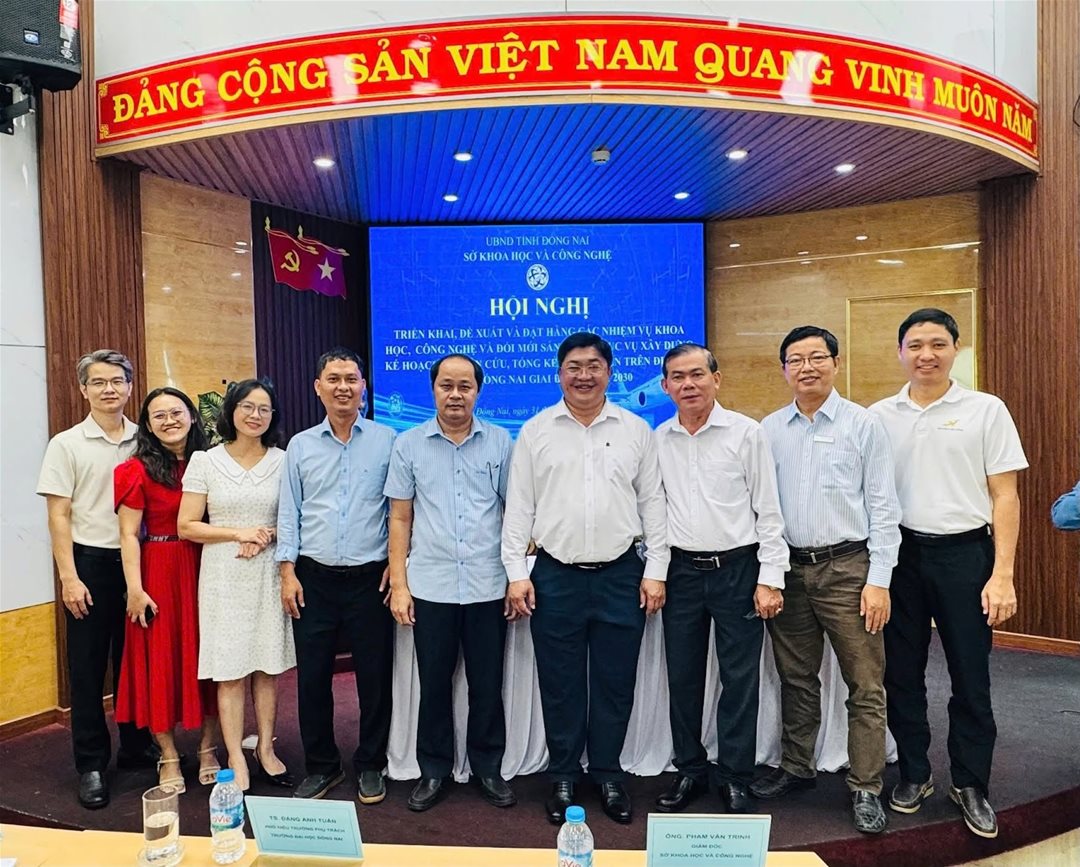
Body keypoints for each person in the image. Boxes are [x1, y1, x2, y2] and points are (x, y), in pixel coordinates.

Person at [871, 308, 1028, 839]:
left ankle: (970, 783)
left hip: (966, 557)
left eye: (938, 344)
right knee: (901, 673)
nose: (926, 355)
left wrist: (1002, 574)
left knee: (970, 674)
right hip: (900, 558)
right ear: (900, 352)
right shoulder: (879, 416)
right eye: (915, 345)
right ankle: (915, 773)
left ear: (955, 349)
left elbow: (1006, 496)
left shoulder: (986, 409)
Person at [502, 332, 669, 826]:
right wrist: (516, 573)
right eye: (574, 366)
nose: (584, 375)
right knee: (560, 683)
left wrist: (655, 571)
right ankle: (562, 774)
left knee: (616, 681)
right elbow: (519, 508)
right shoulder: (536, 431)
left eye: (593, 366)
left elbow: (653, 504)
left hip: (622, 574)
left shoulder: (635, 429)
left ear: (609, 372)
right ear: (559, 374)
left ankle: (608, 773)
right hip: (556, 576)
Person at [753, 325, 901, 835]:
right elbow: (764, 508)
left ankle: (866, 786)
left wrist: (879, 580)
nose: (807, 367)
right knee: (796, 677)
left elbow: (884, 508)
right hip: (790, 571)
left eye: (817, 357)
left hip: (849, 570)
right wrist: (770, 573)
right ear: (784, 370)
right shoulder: (770, 429)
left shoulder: (863, 425)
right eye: (796, 359)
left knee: (865, 683)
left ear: (836, 363)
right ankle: (797, 766)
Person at [653, 343, 788, 815]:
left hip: (738, 570)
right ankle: (690, 769)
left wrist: (770, 578)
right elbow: (654, 514)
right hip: (681, 574)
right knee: (683, 677)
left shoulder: (746, 434)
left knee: (739, 679)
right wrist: (656, 572)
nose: (688, 384)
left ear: (716, 379)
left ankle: (734, 775)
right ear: (665, 386)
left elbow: (768, 510)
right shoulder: (659, 440)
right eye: (677, 377)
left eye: (697, 374)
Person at [385, 354, 516, 812]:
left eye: (465, 386)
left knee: (487, 685)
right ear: (433, 389)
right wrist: (399, 585)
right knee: (434, 685)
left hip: (488, 584)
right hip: (431, 586)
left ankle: (487, 768)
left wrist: (515, 577)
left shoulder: (500, 442)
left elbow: (514, 514)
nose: (455, 394)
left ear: (478, 391)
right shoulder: (408, 445)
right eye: (446, 385)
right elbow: (400, 518)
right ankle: (434, 770)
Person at [36, 349, 158, 809]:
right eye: (99, 382)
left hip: (140, 564)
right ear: (83, 389)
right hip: (89, 565)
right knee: (88, 670)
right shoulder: (66, 444)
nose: (110, 389)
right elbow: (58, 516)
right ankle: (90, 763)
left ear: (130, 387)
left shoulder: (145, 439)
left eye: (118, 381)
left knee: (135, 662)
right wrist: (68, 577)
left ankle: (136, 745)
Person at [277, 348, 396, 803]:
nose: (343, 387)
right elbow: (290, 512)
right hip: (314, 578)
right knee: (312, 678)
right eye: (333, 378)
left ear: (364, 386)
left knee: (374, 678)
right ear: (318, 387)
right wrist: (287, 572)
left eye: (351, 378)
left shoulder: (389, 441)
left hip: (372, 579)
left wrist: (398, 564)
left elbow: (401, 511)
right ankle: (322, 766)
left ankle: (371, 764)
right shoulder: (301, 446)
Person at [178, 378, 295, 792]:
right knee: (229, 671)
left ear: (273, 416)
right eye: (247, 406)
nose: (255, 415)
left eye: (264, 408)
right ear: (231, 411)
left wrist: (264, 534)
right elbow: (187, 525)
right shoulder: (205, 461)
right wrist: (237, 533)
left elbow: (294, 519)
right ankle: (234, 756)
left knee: (267, 667)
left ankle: (265, 748)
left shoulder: (285, 461)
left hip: (267, 572)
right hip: (223, 574)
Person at [114, 387, 218, 793]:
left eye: (177, 412)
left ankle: (208, 748)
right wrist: (135, 589)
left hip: (207, 566)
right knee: (159, 662)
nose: (170, 420)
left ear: (192, 416)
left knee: (210, 660)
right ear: (147, 424)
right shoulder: (134, 470)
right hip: (158, 569)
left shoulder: (212, 462)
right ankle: (169, 756)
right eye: (159, 415)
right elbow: (128, 534)